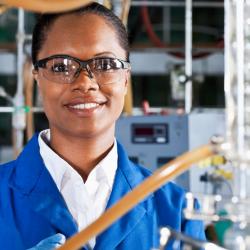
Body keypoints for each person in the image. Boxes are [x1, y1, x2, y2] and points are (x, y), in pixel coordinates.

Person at [0, 2, 205, 250]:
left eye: (105, 65)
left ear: (126, 78)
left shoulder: (177, 211)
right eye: (61, 67)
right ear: (38, 78)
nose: (85, 83)